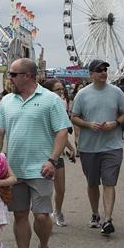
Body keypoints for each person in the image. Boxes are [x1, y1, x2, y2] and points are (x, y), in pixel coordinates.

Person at [0, 58, 71, 248]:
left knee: (42, 216)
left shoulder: (50, 100)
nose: (10, 78)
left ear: (27, 75)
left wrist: (52, 160)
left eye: (13, 74)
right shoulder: (7, 100)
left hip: (41, 168)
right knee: (19, 215)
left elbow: (62, 131)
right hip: (14, 169)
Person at [69, 61, 124, 234]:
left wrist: (115, 123)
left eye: (105, 70)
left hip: (112, 145)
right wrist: (88, 125)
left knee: (109, 182)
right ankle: (95, 213)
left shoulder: (117, 92)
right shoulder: (82, 94)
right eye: (99, 70)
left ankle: (108, 219)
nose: (103, 73)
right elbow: (74, 116)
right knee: (93, 182)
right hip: (89, 147)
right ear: (91, 74)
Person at [46, 79, 76, 227]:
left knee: (61, 188)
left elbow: (62, 132)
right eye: (56, 90)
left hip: (57, 154)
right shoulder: (45, 107)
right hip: (44, 153)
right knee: (45, 189)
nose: (60, 92)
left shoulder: (61, 106)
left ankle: (57, 211)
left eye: (61, 89)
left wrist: (70, 147)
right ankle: (46, 216)